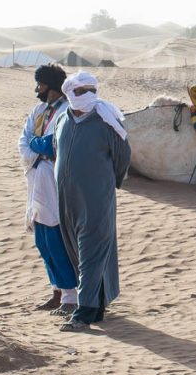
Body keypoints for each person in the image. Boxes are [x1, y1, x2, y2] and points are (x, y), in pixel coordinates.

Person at [54, 71, 131, 332]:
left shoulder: (106, 121)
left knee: (92, 250)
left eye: (91, 90)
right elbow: (58, 150)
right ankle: (96, 304)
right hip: (66, 198)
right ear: (69, 92)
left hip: (96, 198)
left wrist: (108, 184)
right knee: (76, 249)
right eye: (80, 91)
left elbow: (123, 156)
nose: (87, 96)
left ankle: (83, 313)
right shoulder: (63, 119)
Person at [18, 63, 78, 315]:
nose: (37, 90)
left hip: (55, 182)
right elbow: (24, 140)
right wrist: (35, 146)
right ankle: (56, 291)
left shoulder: (68, 111)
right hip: (36, 179)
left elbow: (53, 145)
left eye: (40, 85)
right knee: (42, 240)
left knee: (56, 240)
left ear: (52, 87)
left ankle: (70, 298)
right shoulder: (39, 110)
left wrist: (37, 145)